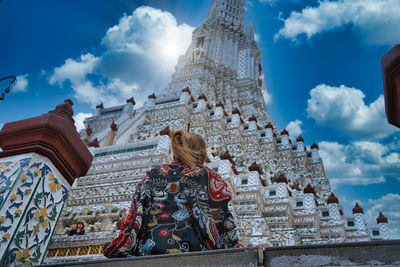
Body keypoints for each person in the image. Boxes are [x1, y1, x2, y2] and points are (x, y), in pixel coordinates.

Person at [103, 129, 239, 257]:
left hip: (149, 253)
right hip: (195, 254)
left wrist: (113, 247)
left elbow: (132, 220)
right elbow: (224, 222)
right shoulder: (210, 177)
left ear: (175, 154)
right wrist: (234, 246)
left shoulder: (151, 176)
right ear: (203, 157)